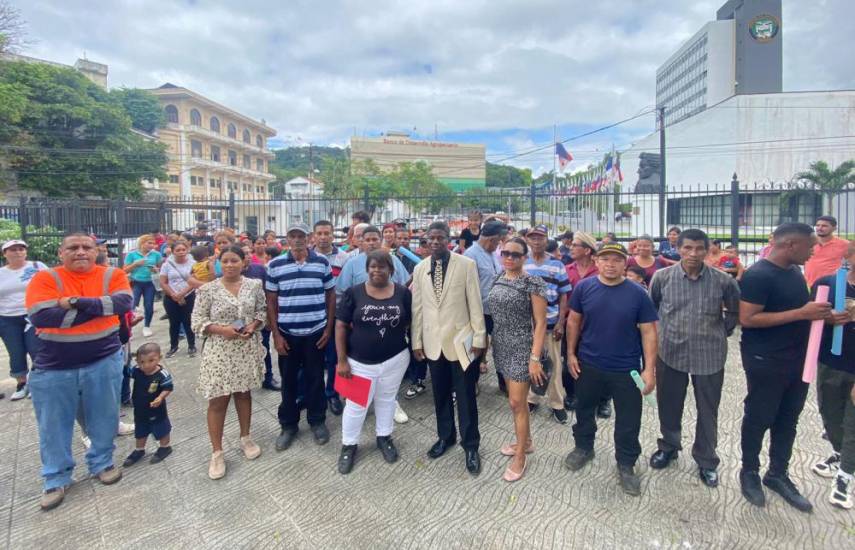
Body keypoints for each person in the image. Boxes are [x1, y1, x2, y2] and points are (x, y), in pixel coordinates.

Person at [25, 233, 133, 510]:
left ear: (96, 251)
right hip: (53, 366)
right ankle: (56, 477)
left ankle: (102, 462)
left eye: (87, 247)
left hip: (103, 359)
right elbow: (42, 316)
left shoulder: (112, 274)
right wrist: (99, 307)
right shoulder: (46, 278)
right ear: (61, 253)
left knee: (104, 416)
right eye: (73, 248)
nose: (81, 252)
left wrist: (75, 302)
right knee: (53, 424)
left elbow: (122, 305)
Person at [738, 222, 832, 512]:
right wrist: (801, 313)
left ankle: (778, 473)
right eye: (811, 245)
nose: (814, 251)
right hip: (766, 360)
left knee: (788, 419)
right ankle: (749, 471)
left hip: (798, 361)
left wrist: (821, 316)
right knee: (759, 416)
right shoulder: (758, 275)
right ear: (791, 244)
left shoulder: (794, 272)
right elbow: (749, 319)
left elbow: (799, 313)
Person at [647, 229, 740, 488]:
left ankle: (706, 459)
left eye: (699, 248)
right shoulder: (662, 278)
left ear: (708, 250)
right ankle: (668, 446)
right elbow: (651, 310)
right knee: (669, 403)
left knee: (708, 410)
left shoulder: (723, 281)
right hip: (670, 353)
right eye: (687, 248)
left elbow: (733, 311)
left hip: (709, 356)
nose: (693, 254)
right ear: (678, 248)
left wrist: (721, 332)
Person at [564, 242, 658, 496]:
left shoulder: (637, 293)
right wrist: (571, 354)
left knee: (628, 420)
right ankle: (584, 447)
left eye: (617, 260)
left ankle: (626, 464)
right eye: (605, 259)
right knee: (584, 410)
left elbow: (649, 331)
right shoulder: (584, 288)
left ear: (625, 263)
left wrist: (650, 369)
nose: (610, 264)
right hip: (589, 364)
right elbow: (573, 321)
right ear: (597, 261)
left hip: (627, 369)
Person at [412, 221, 487, 475]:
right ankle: (446, 436)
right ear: (426, 241)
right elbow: (418, 308)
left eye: (440, 237)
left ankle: (470, 445)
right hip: (433, 343)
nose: (435, 242)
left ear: (448, 239)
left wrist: (479, 338)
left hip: (461, 341)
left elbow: (475, 303)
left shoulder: (466, 265)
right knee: (440, 394)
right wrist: (417, 341)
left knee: (466, 395)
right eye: (431, 238)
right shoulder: (421, 268)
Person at [335, 250, 413, 474]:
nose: (377, 270)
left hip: (395, 359)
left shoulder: (402, 293)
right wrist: (342, 360)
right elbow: (340, 326)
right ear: (367, 269)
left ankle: (384, 437)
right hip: (359, 362)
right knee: (356, 405)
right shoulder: (354, 293)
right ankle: (349, 445)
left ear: (391, 270)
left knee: (387, 400)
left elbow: (408, 321)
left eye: (382, 267)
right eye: (372, 266)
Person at [192, 245, 266, 480]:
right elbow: (197, 322)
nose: (230, 265)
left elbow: (261, 312)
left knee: (244, 394)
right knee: (218, 401)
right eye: (225, 261)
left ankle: (245, 437)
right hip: (219, 350)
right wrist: (222, 330)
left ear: (244, 262)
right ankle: (217, 451)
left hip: (245, 348)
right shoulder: (207, 290)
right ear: (219, 263)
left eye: (235, 260)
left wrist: (253, 326)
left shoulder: (254, 285)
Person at [266, 223, 336, 451]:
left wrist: (328, 329)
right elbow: (271, 301)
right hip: (288, 334)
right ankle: (288, 425)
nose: (297, 240)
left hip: (315, 333)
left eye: (301, 236)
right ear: (286, 239)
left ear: (309, 238)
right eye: (292, 236)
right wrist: (276, 335)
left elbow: (330, 295)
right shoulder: (275, 265)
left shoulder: (322, 262)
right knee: (289, 381)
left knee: (316, 379)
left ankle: (317, 421)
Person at [487, 237, 547, 482]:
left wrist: (535, 357)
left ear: (525, 257)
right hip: (500, 345)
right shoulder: (498, 277)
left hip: (523, 347)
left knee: (516, 403)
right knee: (514, 402)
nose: (509, 258)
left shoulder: (533, 282)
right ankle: (527, 441)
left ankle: (520, 455)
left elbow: (541, 322)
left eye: (515, 254)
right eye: (506, 253)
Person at [810, 241, 855, 509]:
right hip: (830, 360)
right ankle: (841, 454)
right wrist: (826, 319)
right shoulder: (829, 283)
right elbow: (812, 316)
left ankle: (844, 477)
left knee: (852, 424)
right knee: (830, 414)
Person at [523, 225, 571, 424]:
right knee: (532, 364)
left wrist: (561, 322)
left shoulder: (557, 265)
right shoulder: (522, 263)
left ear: (546, 240)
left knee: (554, 365)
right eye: (532, 237)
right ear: (527, 240)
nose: (536, 241)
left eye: (540, 237)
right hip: (528, 325)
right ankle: (532, 398)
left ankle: (557, 403)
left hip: (551, 324)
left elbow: (564, 294)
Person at [0, 239, 47, 400]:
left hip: (33, 315)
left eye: (21, 249)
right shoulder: (2, 274)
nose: (18, 252)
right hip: (7, 317)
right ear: (5, 253)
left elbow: (51, 283)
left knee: (36, 348)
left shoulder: (37, 267)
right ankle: (21, 383)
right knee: (15, 351)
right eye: (13, 250)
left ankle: (37, 382)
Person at [464, 220, 507, 394]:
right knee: (476, 349)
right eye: (498, 242)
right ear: (492, 239)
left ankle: (503, 381)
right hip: (478, 312)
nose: (498, 246)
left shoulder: (491, 254)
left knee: (499, 346)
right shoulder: (470, 255)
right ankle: (471, 381)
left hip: (494, 311)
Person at [312, 220, 348, 413]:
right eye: (320, 233)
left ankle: (332, 393)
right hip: (313, 315)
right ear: (314, 236)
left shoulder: (344, 258)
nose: (323, 237)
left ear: (333, 235)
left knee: (334, 357)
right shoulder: (306, 257)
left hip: (336, 315)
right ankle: (310, 394)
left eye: (327, 233)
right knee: (311, 358)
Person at [563, 232, 600, 412]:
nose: (571, 247)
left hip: (595, 325)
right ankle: (571, 394)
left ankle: (603, 399)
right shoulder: (566, 269)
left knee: (596, 364)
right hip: (570, 324)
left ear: (586, 250)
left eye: (575, 245)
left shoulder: (600, 270)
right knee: (569, 360)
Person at [122, 343, 174, 467]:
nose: (146, 365)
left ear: (159, 358)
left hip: (157, 409)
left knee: (161, 428)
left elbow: (168, 387)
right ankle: (139, 449)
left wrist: (160, 397)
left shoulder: (162, 374)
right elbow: (125, 372)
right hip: (140, 409)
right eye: (142, 362)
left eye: (151, 360)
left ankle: (165, 447)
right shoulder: (136, 371)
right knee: (140, 430)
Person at [336, 226, 410, 294]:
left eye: (374, 239)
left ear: (380, 240)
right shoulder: (352, 263)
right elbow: (342, 290)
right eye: (367, 240)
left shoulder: (393, 260)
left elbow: (405, 285)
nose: (371, 243)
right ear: (362, 242)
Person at [158, 240, 197, 358]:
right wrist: (174, 294)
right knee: (174, 322)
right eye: (178, 250)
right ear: (173, 251)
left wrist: (182, 294)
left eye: (183, 250)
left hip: (189, 296)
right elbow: (163, 282)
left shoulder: (193, 263)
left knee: (188, 321)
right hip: (171, 297)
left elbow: (195, 281)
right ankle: (173, 346)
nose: (181, 252)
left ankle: (191, 345)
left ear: (187, 250)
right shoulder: (167, 264)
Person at [123, 234, 163, 337]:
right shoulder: (131, 255)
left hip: (150, 282)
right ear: (142, 243)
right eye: (149, 243)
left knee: (149, 305)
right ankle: (128, 328)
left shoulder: (156, 255)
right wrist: (135, 264)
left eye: (153, 243)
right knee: (132, 305)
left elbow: (161, 269)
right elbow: (124, 270)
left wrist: (156, 270)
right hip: (136, 282)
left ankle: (147, 326)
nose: (152, 245)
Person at [805, 215, 850, 288]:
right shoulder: (807, 242)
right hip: (808, 284)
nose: (820, 228)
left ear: (834, 228)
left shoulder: (844, 244)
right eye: (817, 225)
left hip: (830, 284)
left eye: (824, 226)